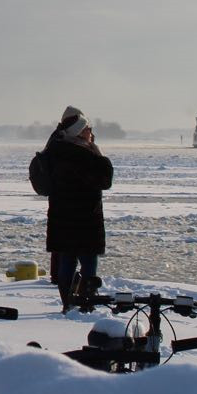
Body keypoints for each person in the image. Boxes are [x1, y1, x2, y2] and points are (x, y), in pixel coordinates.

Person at [42, 105, 114, 312]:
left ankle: (68, 302)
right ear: (80, 133)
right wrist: (100, 156)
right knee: (88, 263)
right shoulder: (86, 155)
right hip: (85, 219)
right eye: (88, 130)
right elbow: (105, 179)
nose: (91, 133)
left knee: (67, 260)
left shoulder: (56, 150)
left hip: (62, 217)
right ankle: (86, 303)